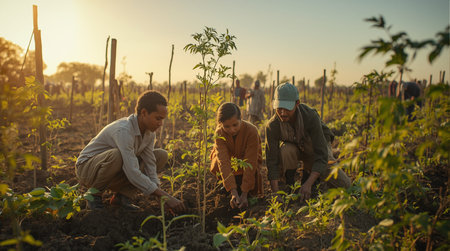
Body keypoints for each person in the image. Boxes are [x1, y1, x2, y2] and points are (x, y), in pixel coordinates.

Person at [75, 90, 185, 212]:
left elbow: (150, 164)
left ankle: (122, 197)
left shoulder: (149, 133)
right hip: (87, 169)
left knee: (161, 155)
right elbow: (132, 171)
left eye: (162, 119)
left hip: (114, 169)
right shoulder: (124, 130)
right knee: (118, 156)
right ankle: (93, 195)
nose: (160, 124)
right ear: (143, 113)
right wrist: (165, 195)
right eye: (158, 118)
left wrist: (160, 196)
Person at [265, 83, 351, 201]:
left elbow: (321, 154)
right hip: (295, 146)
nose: (283, 113)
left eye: (287, 109)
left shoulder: (310, 117)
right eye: (279, 108)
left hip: (316, 147)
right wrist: (275, 193)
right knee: (286, 150)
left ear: (297, 104)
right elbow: (272, 160)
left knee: (346, 186)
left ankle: (311, 178)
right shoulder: (272, 126)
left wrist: (308, 184)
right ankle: (290, 185)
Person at [210, 102, 264, 209]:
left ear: (241, 118)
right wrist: (233, 191)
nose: (232, 130)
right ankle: (225, 185)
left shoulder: (251, 131)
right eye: (227, 126)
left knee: (249, 192)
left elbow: (251, 162)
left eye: (235, 125)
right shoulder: (219, 133)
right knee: (216, 161)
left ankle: (245, 187)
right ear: (220, 124)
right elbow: (223, 161)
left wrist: (244, 194)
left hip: (246, 164)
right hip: (230, 165)